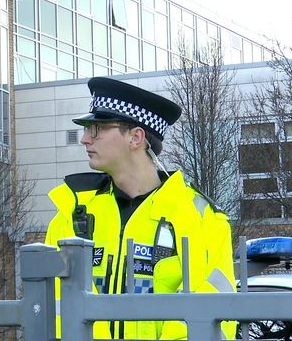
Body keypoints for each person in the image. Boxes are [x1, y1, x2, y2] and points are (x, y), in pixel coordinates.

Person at [44, 77, 236, 340]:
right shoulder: (72, 211)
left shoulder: (202, 217)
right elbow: (56, 302)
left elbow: (214, 309)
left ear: (135, 137)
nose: (85, 139)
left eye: (96, 128)